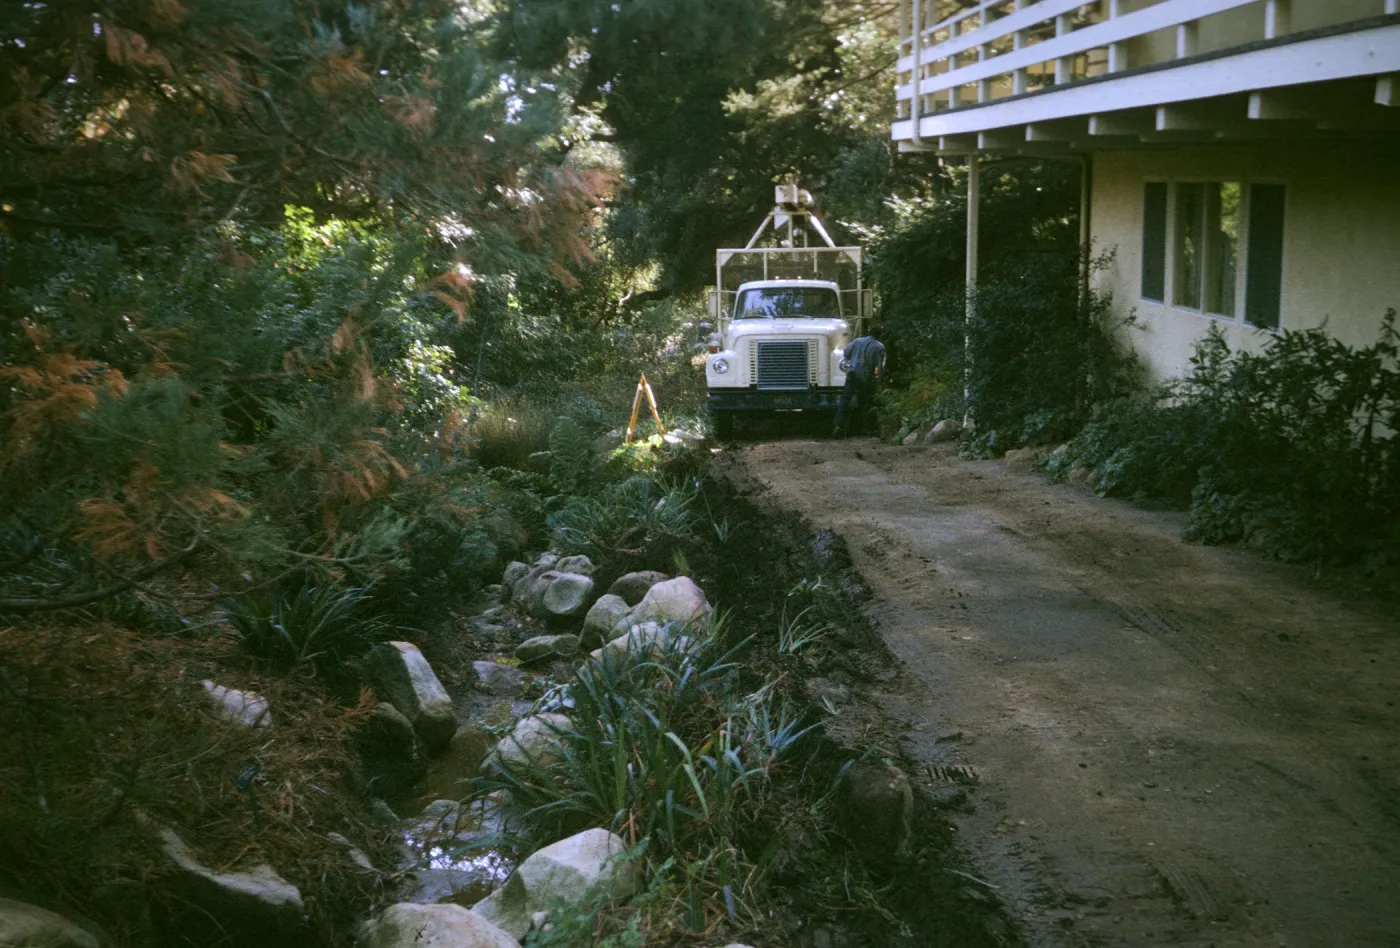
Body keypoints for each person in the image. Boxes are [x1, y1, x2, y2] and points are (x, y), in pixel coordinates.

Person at [832, 327, 886, 438]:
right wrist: (879, 381)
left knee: (844, 402)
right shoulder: (879, 347)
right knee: (865, 403)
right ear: (880, 335)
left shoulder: (857, 341)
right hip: (865, 378)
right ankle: (865, 430)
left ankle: (838, 426)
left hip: (851, 374)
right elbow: (879, 368)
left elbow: (846, 353)